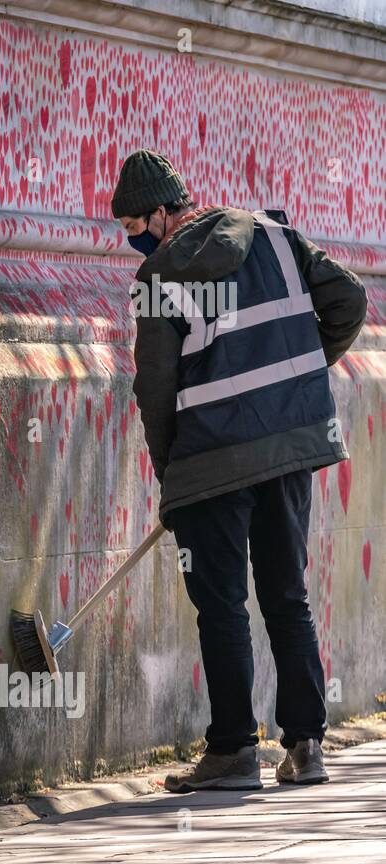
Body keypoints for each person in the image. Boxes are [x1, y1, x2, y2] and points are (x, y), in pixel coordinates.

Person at [111, 150, 367, 792]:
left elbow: (155, 387)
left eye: (137, 225)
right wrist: (299, 378)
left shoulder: (158, 278)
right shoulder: (277, 237)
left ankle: (232, 752)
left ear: (166, 212)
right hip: (289, 446)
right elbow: (351, 301)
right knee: (287, 593)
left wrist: (172, 472)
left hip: (209, 460)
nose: (134, 240)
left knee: (221, 604)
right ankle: (307, 747)